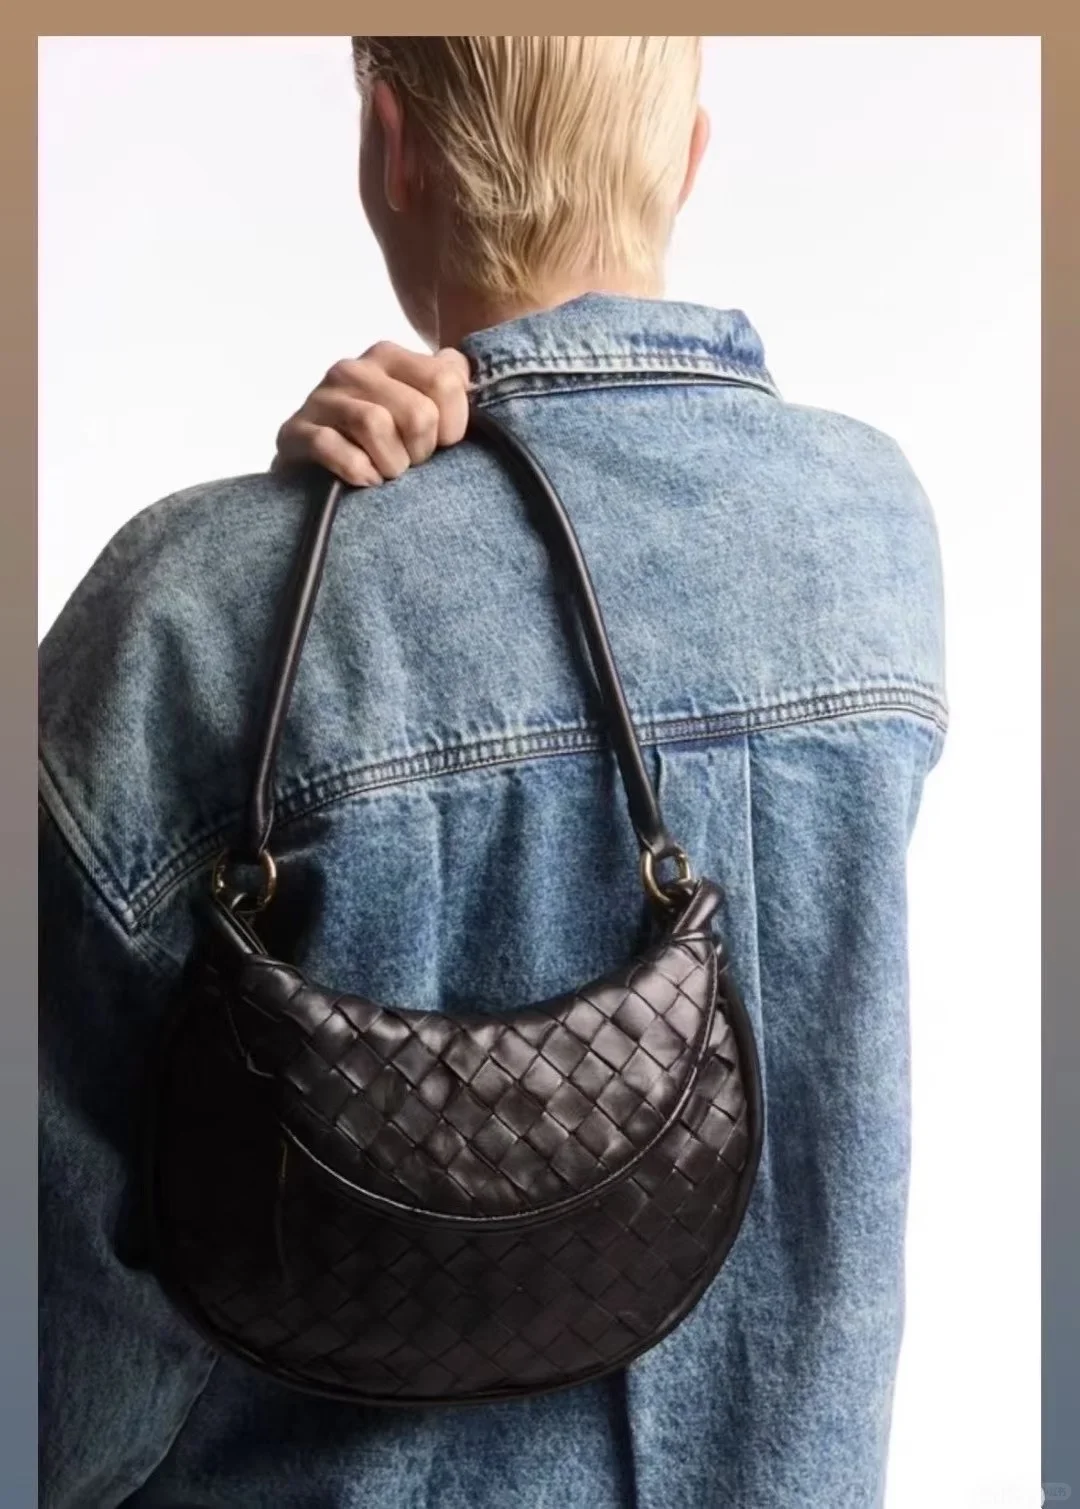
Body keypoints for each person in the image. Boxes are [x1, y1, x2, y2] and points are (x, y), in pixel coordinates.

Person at [38, 36, 947, 1509]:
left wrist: (281, 553)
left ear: (392, 142)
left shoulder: (192, 610)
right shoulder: (870, 534)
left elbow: (59, 1318)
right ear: (689, 156)